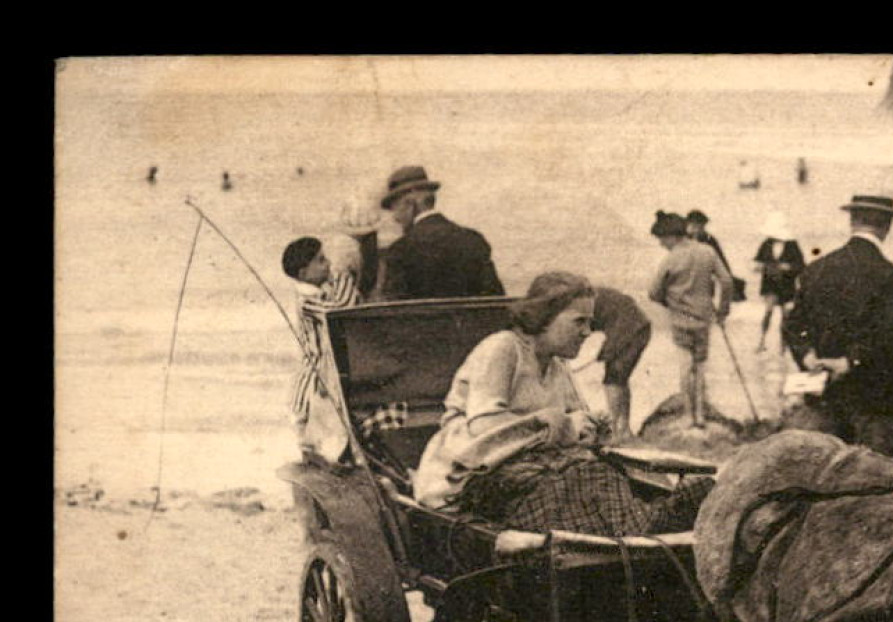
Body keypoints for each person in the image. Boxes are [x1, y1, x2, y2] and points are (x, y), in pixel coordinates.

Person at [414, 272, 712, 536]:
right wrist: (564, 426)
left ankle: (649, 519)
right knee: (579, 481)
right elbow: (483, 426)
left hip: (534, 470)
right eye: (578, 322)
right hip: (478, 476)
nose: (587, 332)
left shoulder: (557, 365)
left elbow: (576, 419)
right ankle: (649, 522)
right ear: (543, 316)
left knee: (601, 475)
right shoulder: (502, 349)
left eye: (590, 323)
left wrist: (594, 427)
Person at [783, 192, 893, 460]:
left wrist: (807, 356)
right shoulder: (888, 273)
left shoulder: (816, 268)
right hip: (875, 394)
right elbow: (889, 335)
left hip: (824, 389)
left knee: (825, 475)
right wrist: (851, 361)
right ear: (887, 226)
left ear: (852, 221)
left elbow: (792, 324)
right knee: (878, 478)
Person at [647, 211, 732, 431]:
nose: (661, 244)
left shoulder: (670, 258)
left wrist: (671, 302)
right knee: (701, 366)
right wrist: (722, 311)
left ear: (671, 236)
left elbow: (653, 292)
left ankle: (688, 414)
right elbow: (727, 281)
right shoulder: (707, 251)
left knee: (685, 366)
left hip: (680, 320)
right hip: (704, 318)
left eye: (662, 240)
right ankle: (701, 414)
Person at [282, 236, 362, 455]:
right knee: (311, 435)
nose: (328, 264)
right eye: (320, 260)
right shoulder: (307, 301)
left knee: (328, 434)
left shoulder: (321, 288)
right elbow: (341, 310)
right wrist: (347, 276)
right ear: (303, 274)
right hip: (313, 379)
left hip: (326, 375)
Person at [376, 165, 504, 301]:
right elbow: (495, 302)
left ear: (410, 205)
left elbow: (393, 312)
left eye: (396, 209)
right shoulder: (474, 240)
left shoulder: (400, 250)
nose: (396, 218)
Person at [590, 286, 652, 443]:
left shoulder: (575, 302)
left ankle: (617, 432)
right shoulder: (589, 296)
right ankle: (623, 429)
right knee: (620, 379)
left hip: (629, 329)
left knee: (613, 379)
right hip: (642, 326)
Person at [752, 211, 805, 352]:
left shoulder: (792, 245)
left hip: (787, 285)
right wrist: (761, 267)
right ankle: (762, 341)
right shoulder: (766, 243)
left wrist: (788, 267)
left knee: (785, 316)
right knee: (768, 311)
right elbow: (757, 262)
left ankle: (783, 345)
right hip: (770, 284)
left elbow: (801, 266)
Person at [686, 210, 745, 303]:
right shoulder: (683, 239)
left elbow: (721, 258)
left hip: (705, 278)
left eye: (699, 226)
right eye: (693, 225)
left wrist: (728, 276)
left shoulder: (709, 240)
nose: (697, 229)